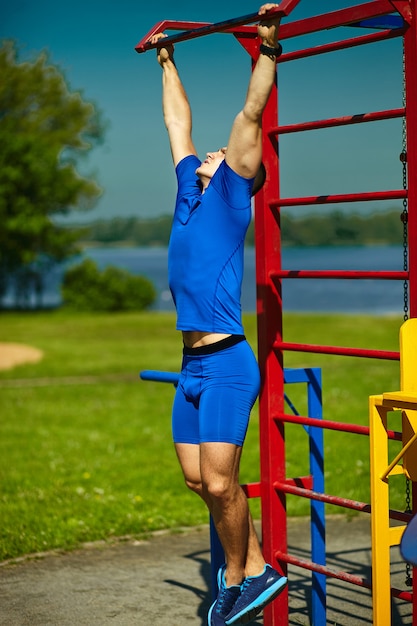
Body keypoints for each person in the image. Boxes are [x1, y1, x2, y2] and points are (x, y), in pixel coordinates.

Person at [149, 4, 287, 625]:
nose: (204, 154)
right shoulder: (189, 191)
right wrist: (166, 55)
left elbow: (249, 113)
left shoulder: (232, 193)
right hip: (190, 364)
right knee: (197, 480)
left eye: (216, 155)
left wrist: (268, 47)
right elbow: (177, 122)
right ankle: (255, 563)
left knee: (224, 482)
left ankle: (241, 576)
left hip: (227, 362)